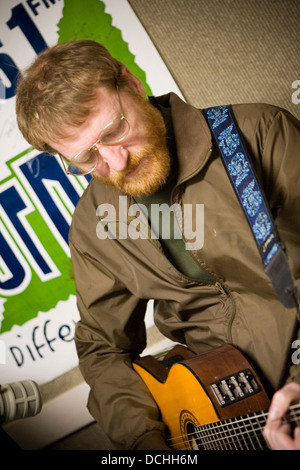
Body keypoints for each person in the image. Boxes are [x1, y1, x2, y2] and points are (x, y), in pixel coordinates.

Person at [15, 40, 300, 450]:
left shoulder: (258, 134)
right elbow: (101, 346)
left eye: (114, 130)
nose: (116, 163)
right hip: (220, 421)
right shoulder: (94, 224)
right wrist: (145, 441)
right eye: (86, 160)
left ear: (131, 83)